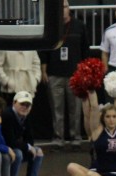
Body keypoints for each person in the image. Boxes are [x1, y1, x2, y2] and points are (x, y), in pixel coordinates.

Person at [39, 0, 89, 149]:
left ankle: (76, 137)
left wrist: (84, 72)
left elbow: (85, 50)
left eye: (64, 7)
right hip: (54, 74)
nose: (62, 10)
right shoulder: (51, 27)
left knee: (75, 109)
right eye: (59, 7)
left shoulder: (79, 26)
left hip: (75, 75)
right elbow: (44, 50)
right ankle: (58, 138)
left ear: (69, 8)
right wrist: (43, 70)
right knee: (57, 109)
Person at [0, 91, 47, 176]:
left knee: (38, 152)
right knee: (18, 154)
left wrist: (31, 147)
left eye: (27, 105)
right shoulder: (7, 115)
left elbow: (30, 139)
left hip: (16, 146)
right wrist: (28, 147)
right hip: (4, 148)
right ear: (14, 103)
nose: (25, 107)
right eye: (22, 104)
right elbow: (9, 141)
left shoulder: (26, 116)